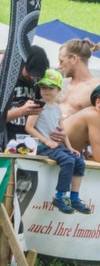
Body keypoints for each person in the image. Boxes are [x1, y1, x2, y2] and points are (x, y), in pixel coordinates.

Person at [26, 70, 93, 214]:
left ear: (58, 90)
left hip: (55, 146)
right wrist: (45, 141)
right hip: (42, 146)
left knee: (79, 160)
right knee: (68, 161)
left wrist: (70, 148)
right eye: (43, 87)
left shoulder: (56, 108)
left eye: (51, 88)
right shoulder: (38, 106)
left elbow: (62, 131)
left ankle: (74, 198)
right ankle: (60, 196)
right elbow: (29, 127)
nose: (46, 91)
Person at [0, 45, 50, 146]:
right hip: (3, 144)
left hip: (28, 145)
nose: (32, 77)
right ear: (22, 63)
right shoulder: (1, 78)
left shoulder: (36, 81)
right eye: (29, 72)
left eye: (37, 75)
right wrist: (21, 111)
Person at [58, 38, 100, 118]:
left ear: (73, 59)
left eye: (61, 61)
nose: (59, 66)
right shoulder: (60, 83)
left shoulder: (96, 88)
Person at [65, 85, 100, 162]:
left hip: (65, 153)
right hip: (49, 149)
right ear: (98, 103)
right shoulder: (95, 116)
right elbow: (98, 157)